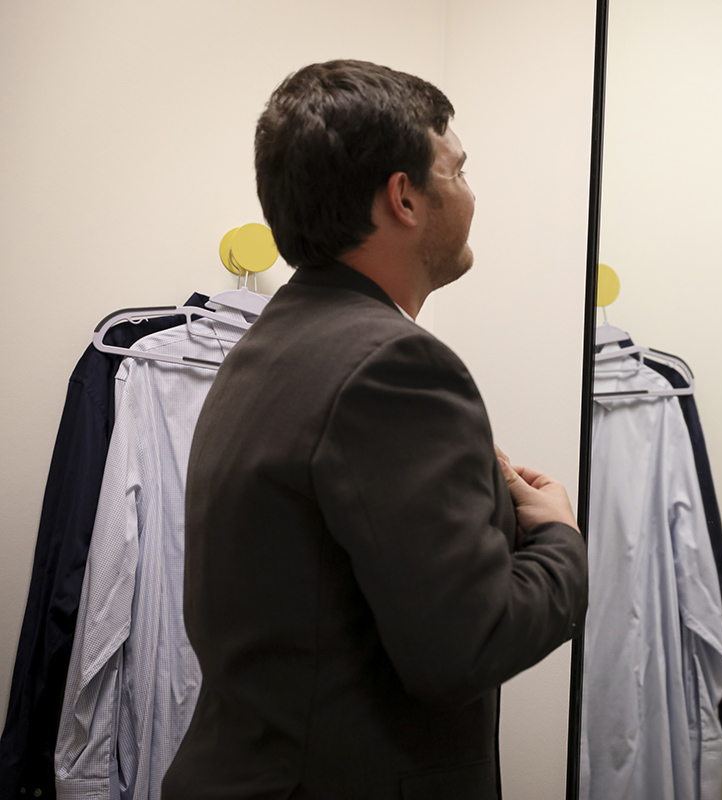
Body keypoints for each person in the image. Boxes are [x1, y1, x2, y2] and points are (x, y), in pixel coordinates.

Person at [162, 60, 588, 799]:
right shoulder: (398, 366)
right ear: (404, 197)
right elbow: (465, 647)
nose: (472, 194)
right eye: (458, 170)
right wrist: (558, 538)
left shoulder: (264, 349)